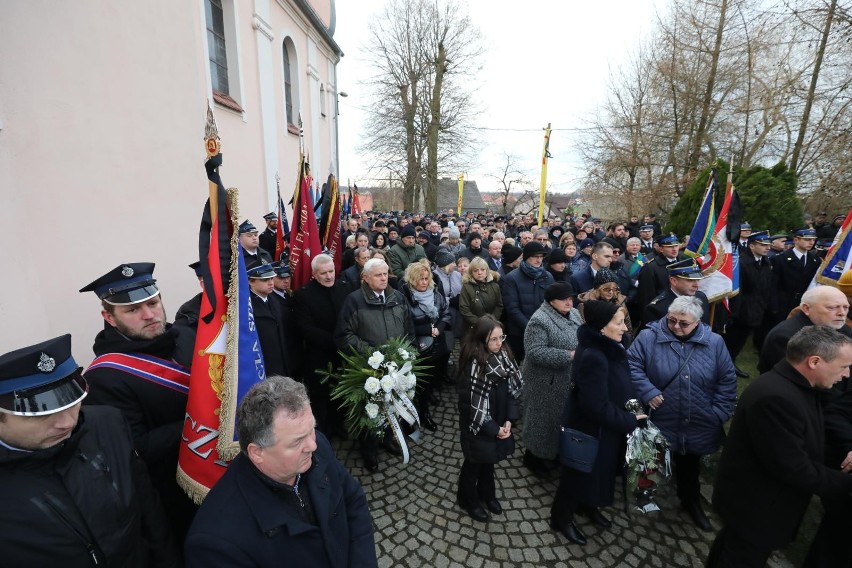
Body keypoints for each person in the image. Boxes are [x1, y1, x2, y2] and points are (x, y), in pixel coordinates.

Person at [0, 334, 181, 567]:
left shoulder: (108, 424)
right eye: (42, 412)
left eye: (71, 401)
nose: (66, 423)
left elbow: (149, 513)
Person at [185, 376, 378, 568]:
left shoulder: (316, 447)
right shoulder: (216, 544)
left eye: (312, 429)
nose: (312, 444)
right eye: (297, 442)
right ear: (257, 452)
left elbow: (353, 500)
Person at [707, 326, 852, 567]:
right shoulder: (777, 399)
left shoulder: (799, 387)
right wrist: (845, 481)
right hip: (756, 512)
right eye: (844, 366)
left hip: (759, 509)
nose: (847, 374)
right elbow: (794, 467)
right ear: (814, 361)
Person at [79, 262, 197, 542]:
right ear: (109, 317)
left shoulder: (187, 337)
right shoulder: (104, 376)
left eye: (153, 303)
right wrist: (200, 421)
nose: (149, 315)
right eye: (132, 310)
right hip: (174, 494)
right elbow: (136, 448)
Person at [628, 296, 736, 531]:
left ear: (697, 322)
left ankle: (691, 502)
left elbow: (727, 380)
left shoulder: (715, 343)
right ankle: (644, 494)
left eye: (683, 323)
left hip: (697, 421)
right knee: (651, 461)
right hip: (660, 418)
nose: (676, 326)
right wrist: (647, 391)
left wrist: (718, 413)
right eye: (672, 320)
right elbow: (632, 365)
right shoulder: (648, 337)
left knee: (689, 467)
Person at [550, 301, 646, 545]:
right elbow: (595, 405)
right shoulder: (595, 355)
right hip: (591, 429)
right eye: (619, 322)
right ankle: (561, 518)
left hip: (608, 428)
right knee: (578, 475)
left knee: (598, 474)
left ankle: (588, 506)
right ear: (602, 327)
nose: (625, 328)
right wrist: (628, 420)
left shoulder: (610, 346)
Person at [335, 258, 414, 471]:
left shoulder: (397, 297)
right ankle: (368, 449)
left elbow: (408, 328)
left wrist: (406, 354)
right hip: (368, 368)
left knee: (392, 406)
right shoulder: (354, 300)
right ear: (366, 278)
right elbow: (344, 335)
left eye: (386, 273)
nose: (383, 278)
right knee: (370, 410)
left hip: (395, 367)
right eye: (378, 275)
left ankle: (388, 438)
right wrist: (371, 354)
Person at [456, 315, 523, 522]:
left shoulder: (504, 356)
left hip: (499, 419)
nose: (499, 343)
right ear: (481, 340)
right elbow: (473, 407)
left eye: (501, 338)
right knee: (474, 463)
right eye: (493, 339)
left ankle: (488, 494)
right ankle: (468, 500)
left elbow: (513, 391)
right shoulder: (473, 365)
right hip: (479, 426)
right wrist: (494, 428)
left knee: (489, 461)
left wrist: (510, 420)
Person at [521, 282, 582, 478]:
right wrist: (569, 356)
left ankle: (551, 452)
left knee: (557, 420)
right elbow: (534, 351)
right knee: (540, 421)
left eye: (570, 298)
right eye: (564, 299)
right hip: (544, 382)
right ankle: (532, 457)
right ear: (551, 301)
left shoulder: (573, 313)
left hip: (565, 380)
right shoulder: (539, 320)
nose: (569, 301)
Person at [292, 254, 349, 438]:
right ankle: (323, 435)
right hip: (319, 357)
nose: (329, 276)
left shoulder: (343, 287)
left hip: (343, 355)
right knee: (321, 399)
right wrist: (335, 341)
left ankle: (339, 426)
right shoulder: (303, 295)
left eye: (331, 271)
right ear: (314, 274)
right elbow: (306, 328)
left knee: (341, 394)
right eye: (323, 273)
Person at [399, 259, 452, 431]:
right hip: (418, 346)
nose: (424, 282)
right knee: (420, 381)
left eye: (426, 278)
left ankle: (428, 398)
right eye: (420, 279)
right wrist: (427, 330)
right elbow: (404, 323)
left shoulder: (435, 293)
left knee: (433, 376)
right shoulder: (404, 297)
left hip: (437, 342)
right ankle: (423, 412)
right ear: (412, 280)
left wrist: (439, 328)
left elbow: (445, 312)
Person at [758, 285, 851, 373]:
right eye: (832, 307)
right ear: (806, 308)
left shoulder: (844, 329)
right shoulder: (785, 337)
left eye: (846, 307)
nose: (842, 313)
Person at [502, 241, 555, 360]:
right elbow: (512, 308)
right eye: (535, 257)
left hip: (543, 330)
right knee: (515, 365)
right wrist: (530, 326)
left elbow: (552, 303)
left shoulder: (547, 276)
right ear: (526, 257)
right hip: (518, 332)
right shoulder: (512, 278)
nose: (538, 260)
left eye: (541, 257)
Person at [247, 263, 298, 378]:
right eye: (265, 280)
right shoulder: (248, 306)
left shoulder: (274, 300)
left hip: (282, 363)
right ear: (251, 281)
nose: (271, 283)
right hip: (263, 365)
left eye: (271, 278)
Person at [640, 258, 711, 329]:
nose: (697, 285)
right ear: (673, 281)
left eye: (698, 280)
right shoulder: (656, 308)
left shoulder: (701, 297)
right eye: (690, 280)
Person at [771, 227, 819, 320]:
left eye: (813, 240)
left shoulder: (815, 260)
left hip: (804, 303)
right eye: (807, 239)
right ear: (796, 240)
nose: (812, 243)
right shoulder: (780, 259)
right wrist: (773, 307)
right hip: (783, 304)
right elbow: (773, 285)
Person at [459, 257, 503, 330]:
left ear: (487, 270)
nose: (479, 273)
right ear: (471, 272)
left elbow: (499, 306)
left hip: (493, 326)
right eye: (476, 270)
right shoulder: (466, 287)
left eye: (482, 270)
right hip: (474, 328)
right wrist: (480, 324)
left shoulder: (495, 286)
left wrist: (492, 322)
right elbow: (464, 309)